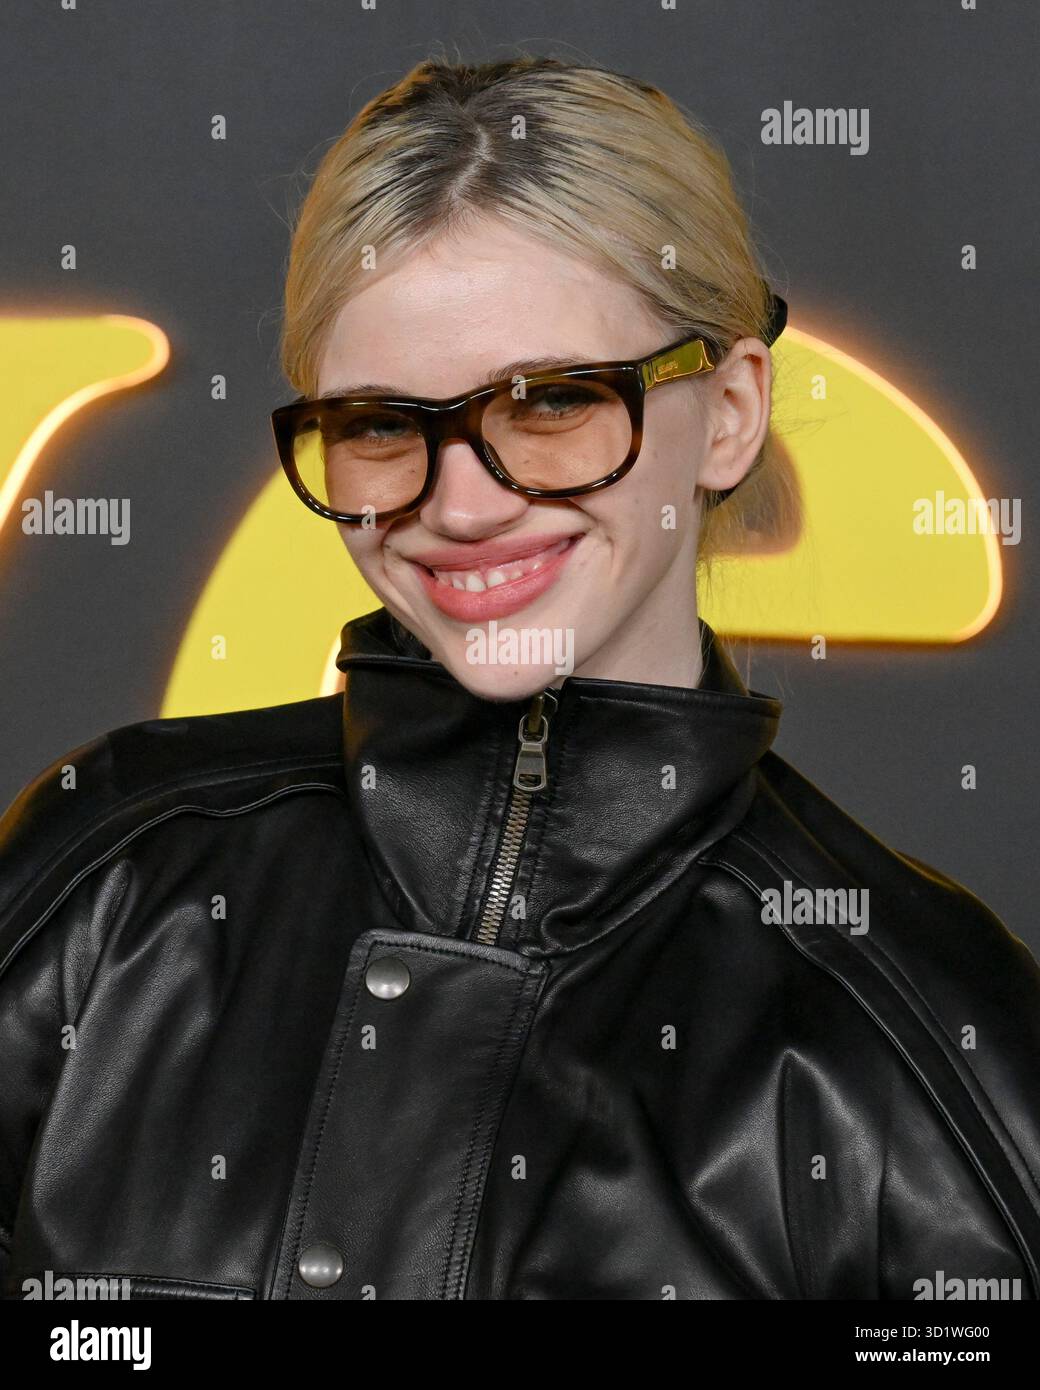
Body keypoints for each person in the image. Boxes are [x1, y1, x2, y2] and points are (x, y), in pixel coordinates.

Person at [1, 54, 1038, 1303]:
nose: (461, 505)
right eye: (382, 425)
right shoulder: (111, 866)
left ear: (727, 414)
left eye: (550, 404)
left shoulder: (923, 1027)